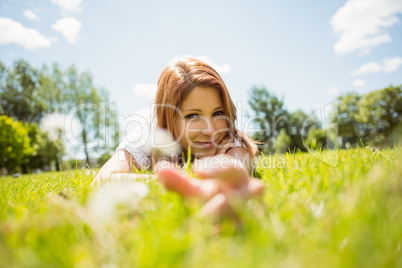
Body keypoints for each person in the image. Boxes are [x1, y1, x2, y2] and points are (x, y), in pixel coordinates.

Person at [93, 57, 263, 219]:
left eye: (218, 113)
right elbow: (105, 179)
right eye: (193, 116)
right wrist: (176, 182)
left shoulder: (229, 140)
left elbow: (237, 168)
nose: (211, 131)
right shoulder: (149, 138)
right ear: (167, 118)